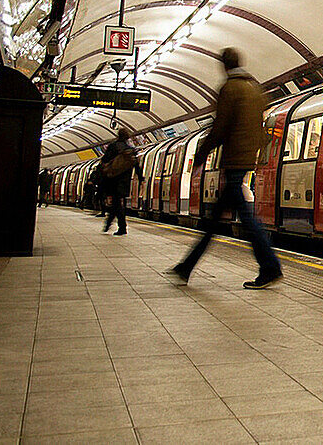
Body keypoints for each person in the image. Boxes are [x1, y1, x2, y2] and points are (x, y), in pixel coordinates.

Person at [169, 47, 282, 289]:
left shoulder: (230, 89)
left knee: (245, 219)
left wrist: (202, 153)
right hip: (245, 159)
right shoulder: (255, 88)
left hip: (234, 161)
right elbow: (261, 127)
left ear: (224, 65)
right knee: (214, 221)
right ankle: (186, 267)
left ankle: (270, 267)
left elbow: (220, 127)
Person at [99, 128, 144, 235]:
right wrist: (140, 177)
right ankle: (116, 225)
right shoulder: (130, 149)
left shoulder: (113, 146)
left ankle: (117, 226)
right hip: (125, 181)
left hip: (113, 179)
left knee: (116, 204)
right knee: (118, 203)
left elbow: (104, 160)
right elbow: (136, 165)